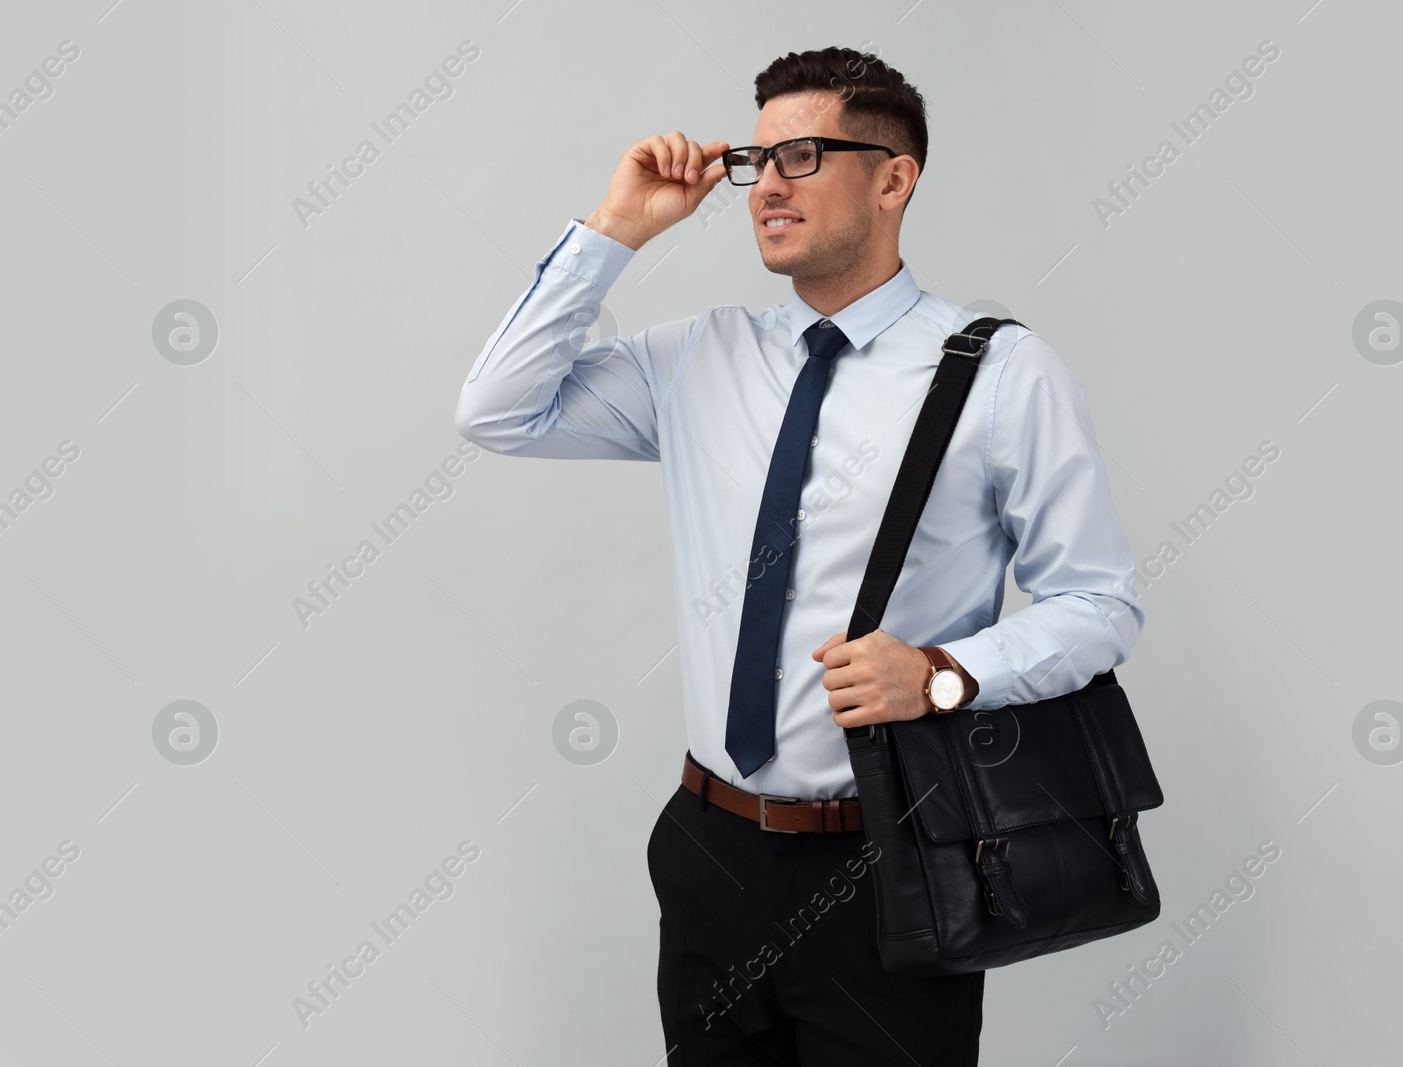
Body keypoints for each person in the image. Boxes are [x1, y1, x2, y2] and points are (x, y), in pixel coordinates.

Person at [454, 45, 1144, 1067]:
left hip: (893, 857)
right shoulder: (699, 356)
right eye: (755, 159)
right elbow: (496, 411)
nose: (767, 184)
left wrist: (948, 674)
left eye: (806, 155)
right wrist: (616, 232)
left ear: (893, 178)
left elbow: (1098, 602)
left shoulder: (1001, 373)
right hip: (709, 845)